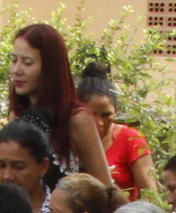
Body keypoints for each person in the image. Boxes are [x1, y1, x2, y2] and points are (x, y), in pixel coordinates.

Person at [8, 22, 106, 183]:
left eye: (27, 63)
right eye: (14, 60)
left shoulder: (77, 119)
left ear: (50, 68)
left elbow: (104, 186)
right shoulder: (16, 116)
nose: (16, 70)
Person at [77, 62, 156, 195]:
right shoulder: (67, 139)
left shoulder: (131, 139)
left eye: (106, 115)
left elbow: (151, 194)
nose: (99, 122)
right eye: (92, 115)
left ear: (116, 111)